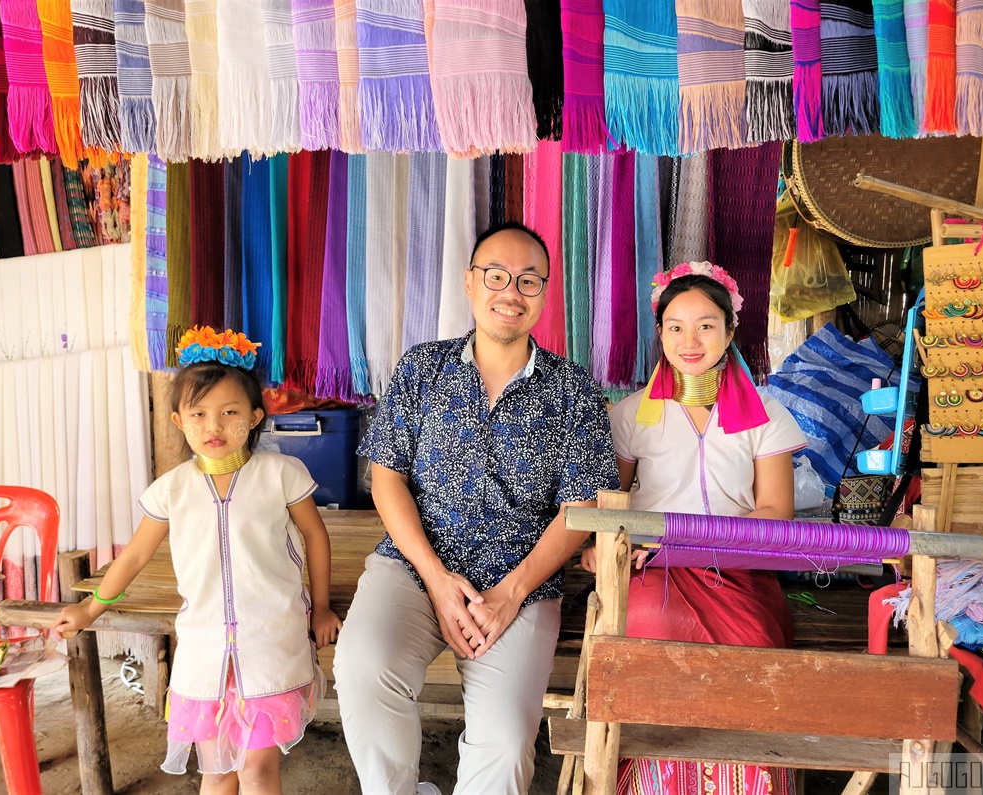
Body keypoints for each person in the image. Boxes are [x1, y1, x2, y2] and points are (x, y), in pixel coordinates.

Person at [335, 221, 620, 795]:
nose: (510, 291)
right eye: (496, 275)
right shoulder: (423, 368)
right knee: (363, 671)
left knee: (507, 738)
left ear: (545, 292)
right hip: (415, 568)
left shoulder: (575, 390)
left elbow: (579, 508)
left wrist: (511, 593)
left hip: (520, 585)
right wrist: (438, 581)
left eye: (528, 280)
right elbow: (387, 477)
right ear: (469, 283)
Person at [52, 326, 342, 795]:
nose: (214, 426)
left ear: (254, 416)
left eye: (229, 412)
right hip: (204, 655)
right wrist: (90, 608)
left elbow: (315, 534)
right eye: (200, 414)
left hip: (271, 646)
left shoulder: (282, 475)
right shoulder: (172, 490)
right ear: (179, 420)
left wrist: (323, 607)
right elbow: (135, 556)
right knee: (216, 773)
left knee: (257, 772)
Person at [581, 262, 809, 795]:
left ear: (731, 332)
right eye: (676, 326)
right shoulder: (631, 416)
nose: (690, 339)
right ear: (658, 333)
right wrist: (603, 548)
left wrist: (683, 545)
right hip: (650, 571)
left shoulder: (765, 417)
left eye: (706, 324)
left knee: (754, 646)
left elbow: (776, 515)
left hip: (738, 573)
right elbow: (611, 509)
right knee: (647, 623)